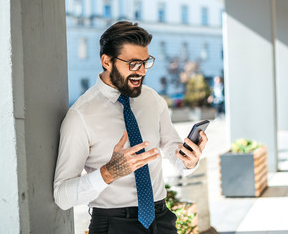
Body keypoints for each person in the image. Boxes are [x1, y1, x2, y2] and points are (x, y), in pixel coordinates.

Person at [53, 21, 208, 234]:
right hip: (113, 224)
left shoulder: (153, 100)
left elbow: (173, 152)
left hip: (161, 219)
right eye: (133, 63)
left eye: (145, 62)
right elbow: (62, 196)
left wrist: (189, 161)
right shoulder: (80, 115)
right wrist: (108, 173)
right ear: (107, 61)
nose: (142, 71)